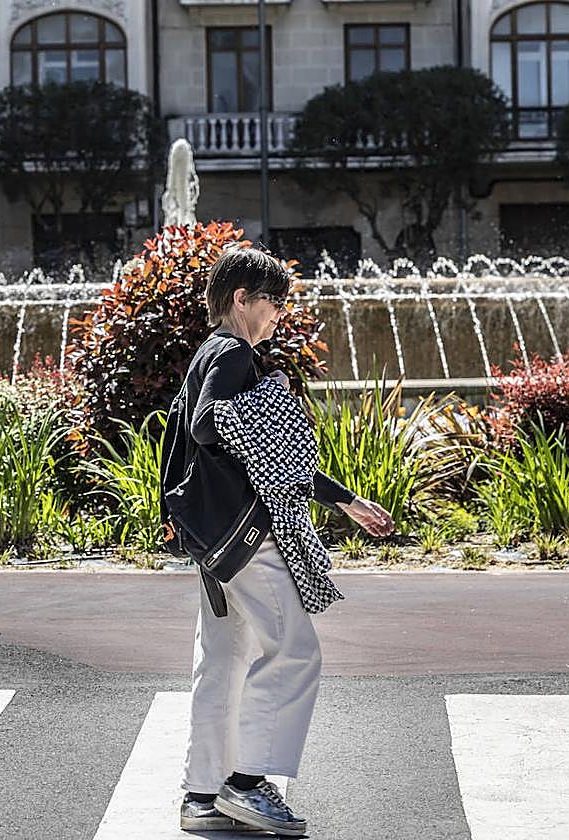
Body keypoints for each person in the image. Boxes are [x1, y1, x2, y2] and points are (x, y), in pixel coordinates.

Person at [163, 247, 394, 836]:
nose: (278, 314)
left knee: (223, 663)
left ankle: (203, 797)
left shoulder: (210, 354)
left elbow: (264, 455)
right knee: (295, 652)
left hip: (214, 542)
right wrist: (269, 400)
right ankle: (248, 783)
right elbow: (211, 424)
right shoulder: (235, 352)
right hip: (247, 539)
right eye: (273, 301)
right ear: (241, 299)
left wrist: (344, 499)